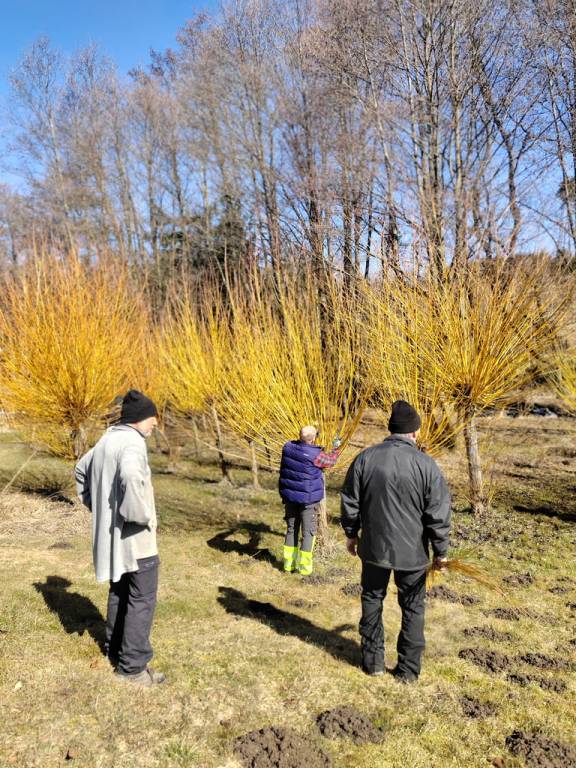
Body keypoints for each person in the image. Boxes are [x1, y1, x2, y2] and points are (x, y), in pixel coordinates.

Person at [340, 400, 451, 683]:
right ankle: (408, 670)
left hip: (374, 548)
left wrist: (351, 534)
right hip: (412, 552)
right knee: (413, 606)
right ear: (414, 432)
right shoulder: (426, 465)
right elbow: (437, 513)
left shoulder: (365, 458)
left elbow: (350, 501)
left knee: (372, 598)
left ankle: (373, 662)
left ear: (392, 430)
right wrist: (440, 551)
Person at [75, 389, 165, 687]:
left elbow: (80, 470)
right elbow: (129, 476)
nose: (156, 423)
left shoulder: (107, 440)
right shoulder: (133, 443)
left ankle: (115, 651)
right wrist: (139, 516)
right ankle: (132, 669)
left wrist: (98, 508)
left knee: (120, 592)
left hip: (113, 541)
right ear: (140, 418)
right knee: (141, 599)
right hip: (137, 541)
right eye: (153, 418)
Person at [278, 426, 340, 576]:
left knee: (291, 529)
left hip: (290, 497)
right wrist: (336, 448)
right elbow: (331, 461)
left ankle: (288, 565)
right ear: (313, 439)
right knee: (308, 533)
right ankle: (305, 569)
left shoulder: (287, 448)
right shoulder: (316, 455)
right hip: (308, 500)